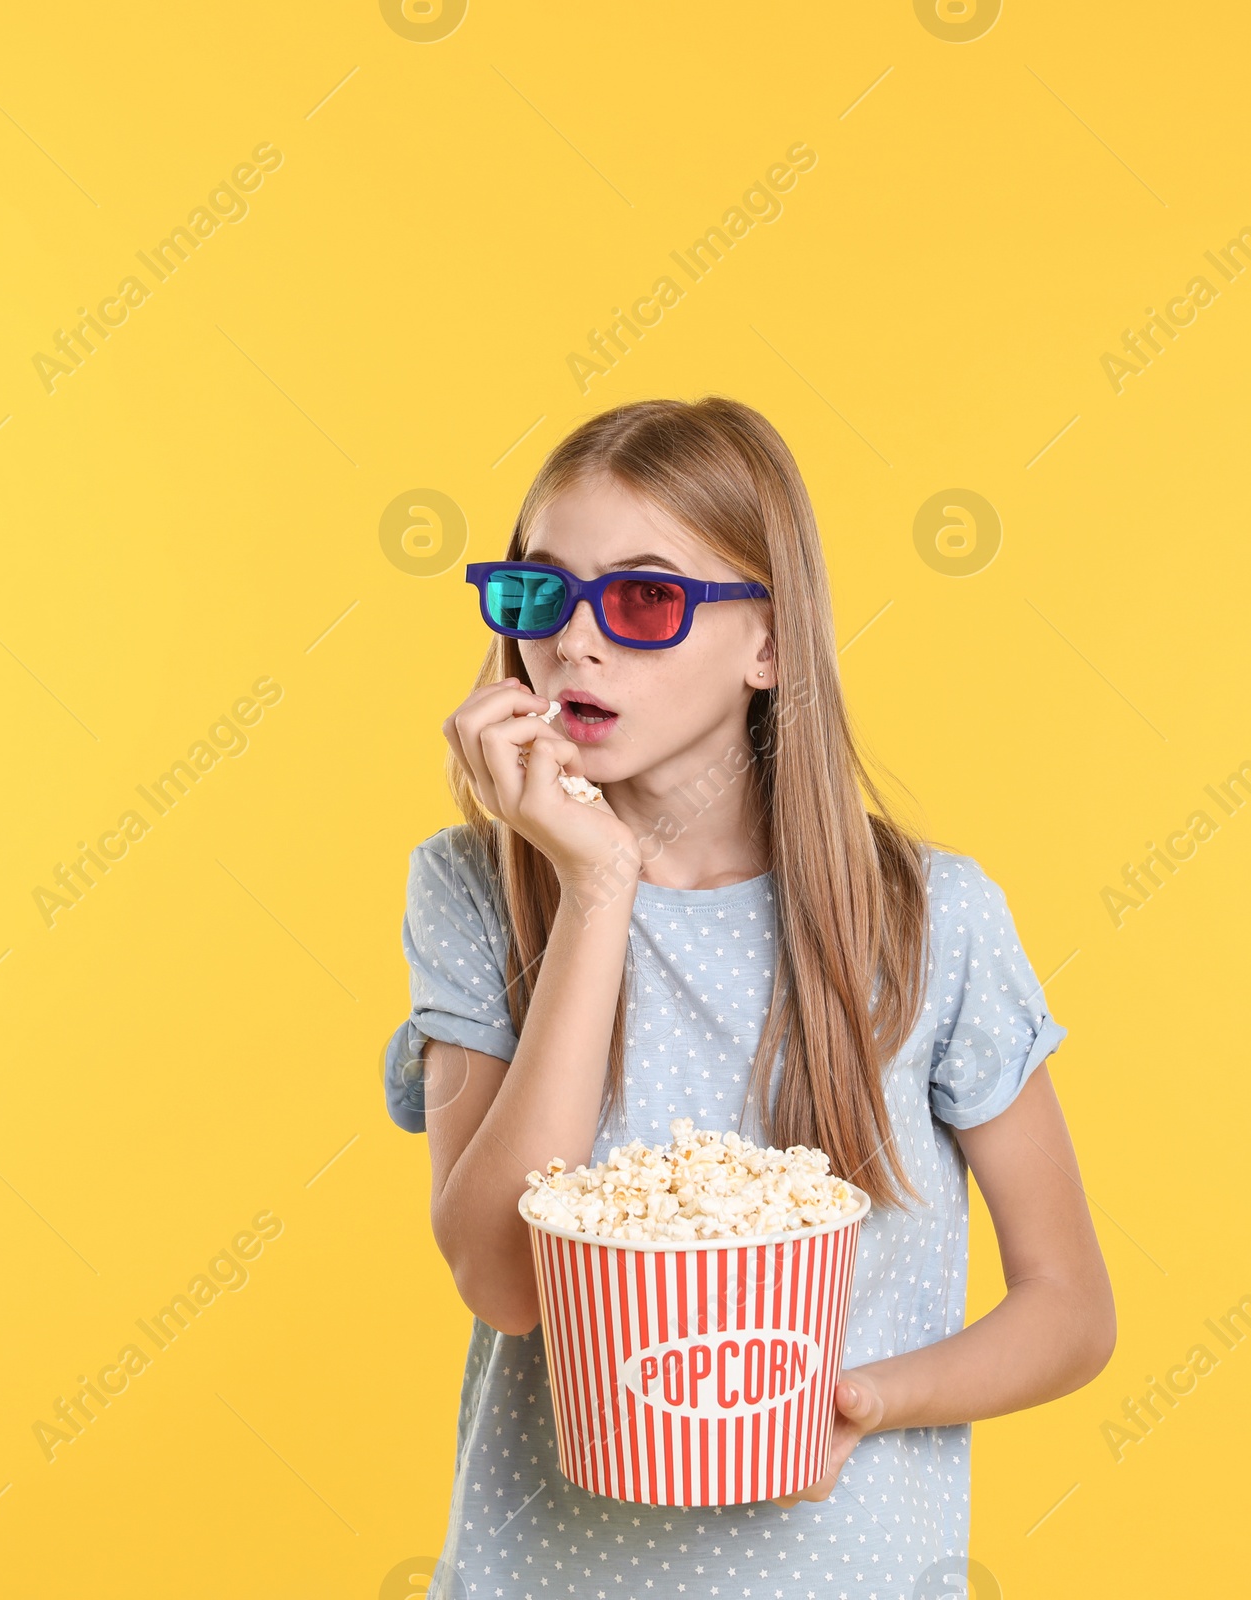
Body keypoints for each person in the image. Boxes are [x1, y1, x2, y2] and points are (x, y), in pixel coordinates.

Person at [382, 394, 1116, 1600]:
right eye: (538, 593)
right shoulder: (474, 889)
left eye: (643, 598)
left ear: (767, 645)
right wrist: (597, 885)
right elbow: (503, 1280)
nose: (574, 643)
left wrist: (866, 1401)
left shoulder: (926, 921)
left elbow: (1070, 1305)